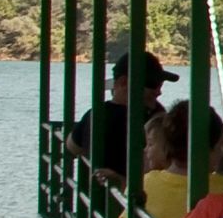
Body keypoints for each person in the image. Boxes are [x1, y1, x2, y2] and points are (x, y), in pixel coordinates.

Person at [71, 43, 167, 179]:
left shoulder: (96, 114)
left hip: (108, 195)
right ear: (123, 83)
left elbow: (72, 146)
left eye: (160, 85)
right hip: (139, 195)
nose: (158, 92)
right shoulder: (154, 120)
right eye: (152, 84)